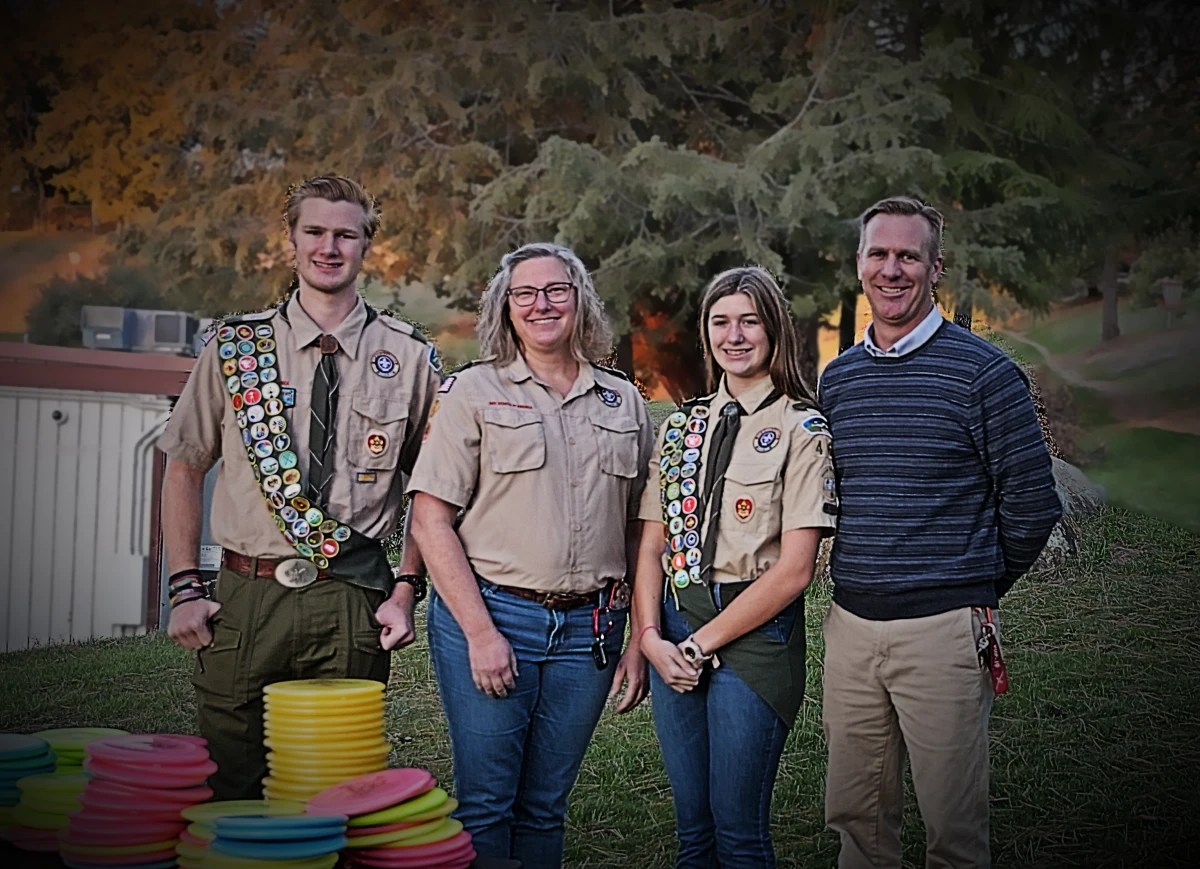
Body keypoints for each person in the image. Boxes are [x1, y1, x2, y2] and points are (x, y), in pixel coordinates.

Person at [158, 174, 440, 800]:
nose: (329, 247)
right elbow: (185, 466)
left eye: (346, 234)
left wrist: (405, 589)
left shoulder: (410, 357)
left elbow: (429, 491)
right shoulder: (237, 348)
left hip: (350, 595)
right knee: (231, 781)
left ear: (368, 245)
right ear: (291, 241)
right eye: (314, 231)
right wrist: (183, 588)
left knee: (336, 786)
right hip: (245, 596)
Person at [818, 196, 1063, 868]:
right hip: (850, 630)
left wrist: (972, 586)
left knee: (954, 833)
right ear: (859, 264)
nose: (891, 269)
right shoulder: (836, 381)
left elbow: (1033, 503)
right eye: (879, 254)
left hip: (946, 633)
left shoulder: (984, 374)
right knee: (858, 824)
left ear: (935, 267)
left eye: (908, 255)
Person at [407, 242, 653, 869]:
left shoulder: (623, 403)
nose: (542, 304)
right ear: (506, 308)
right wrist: (481, 633)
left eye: (556, 290)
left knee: (545, 805)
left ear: (580, 302)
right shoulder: (472, 392)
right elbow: (431, 520)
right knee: (487, 804)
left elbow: (639, 531)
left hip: (589, 633)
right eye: (526, 293)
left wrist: (636, 635)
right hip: (494, 618)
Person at [630, 266, 837, 869]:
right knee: (693, 831)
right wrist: (649, 639)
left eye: (750, 320)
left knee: (739, 831)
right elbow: (650, 546)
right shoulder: (681, 429)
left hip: (753, 636)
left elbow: (796, 570)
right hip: (673, 628)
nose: (735, 335)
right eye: (721, 321)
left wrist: (698, 648)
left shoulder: (802, 428)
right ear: (706, 333)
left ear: (774, 329)